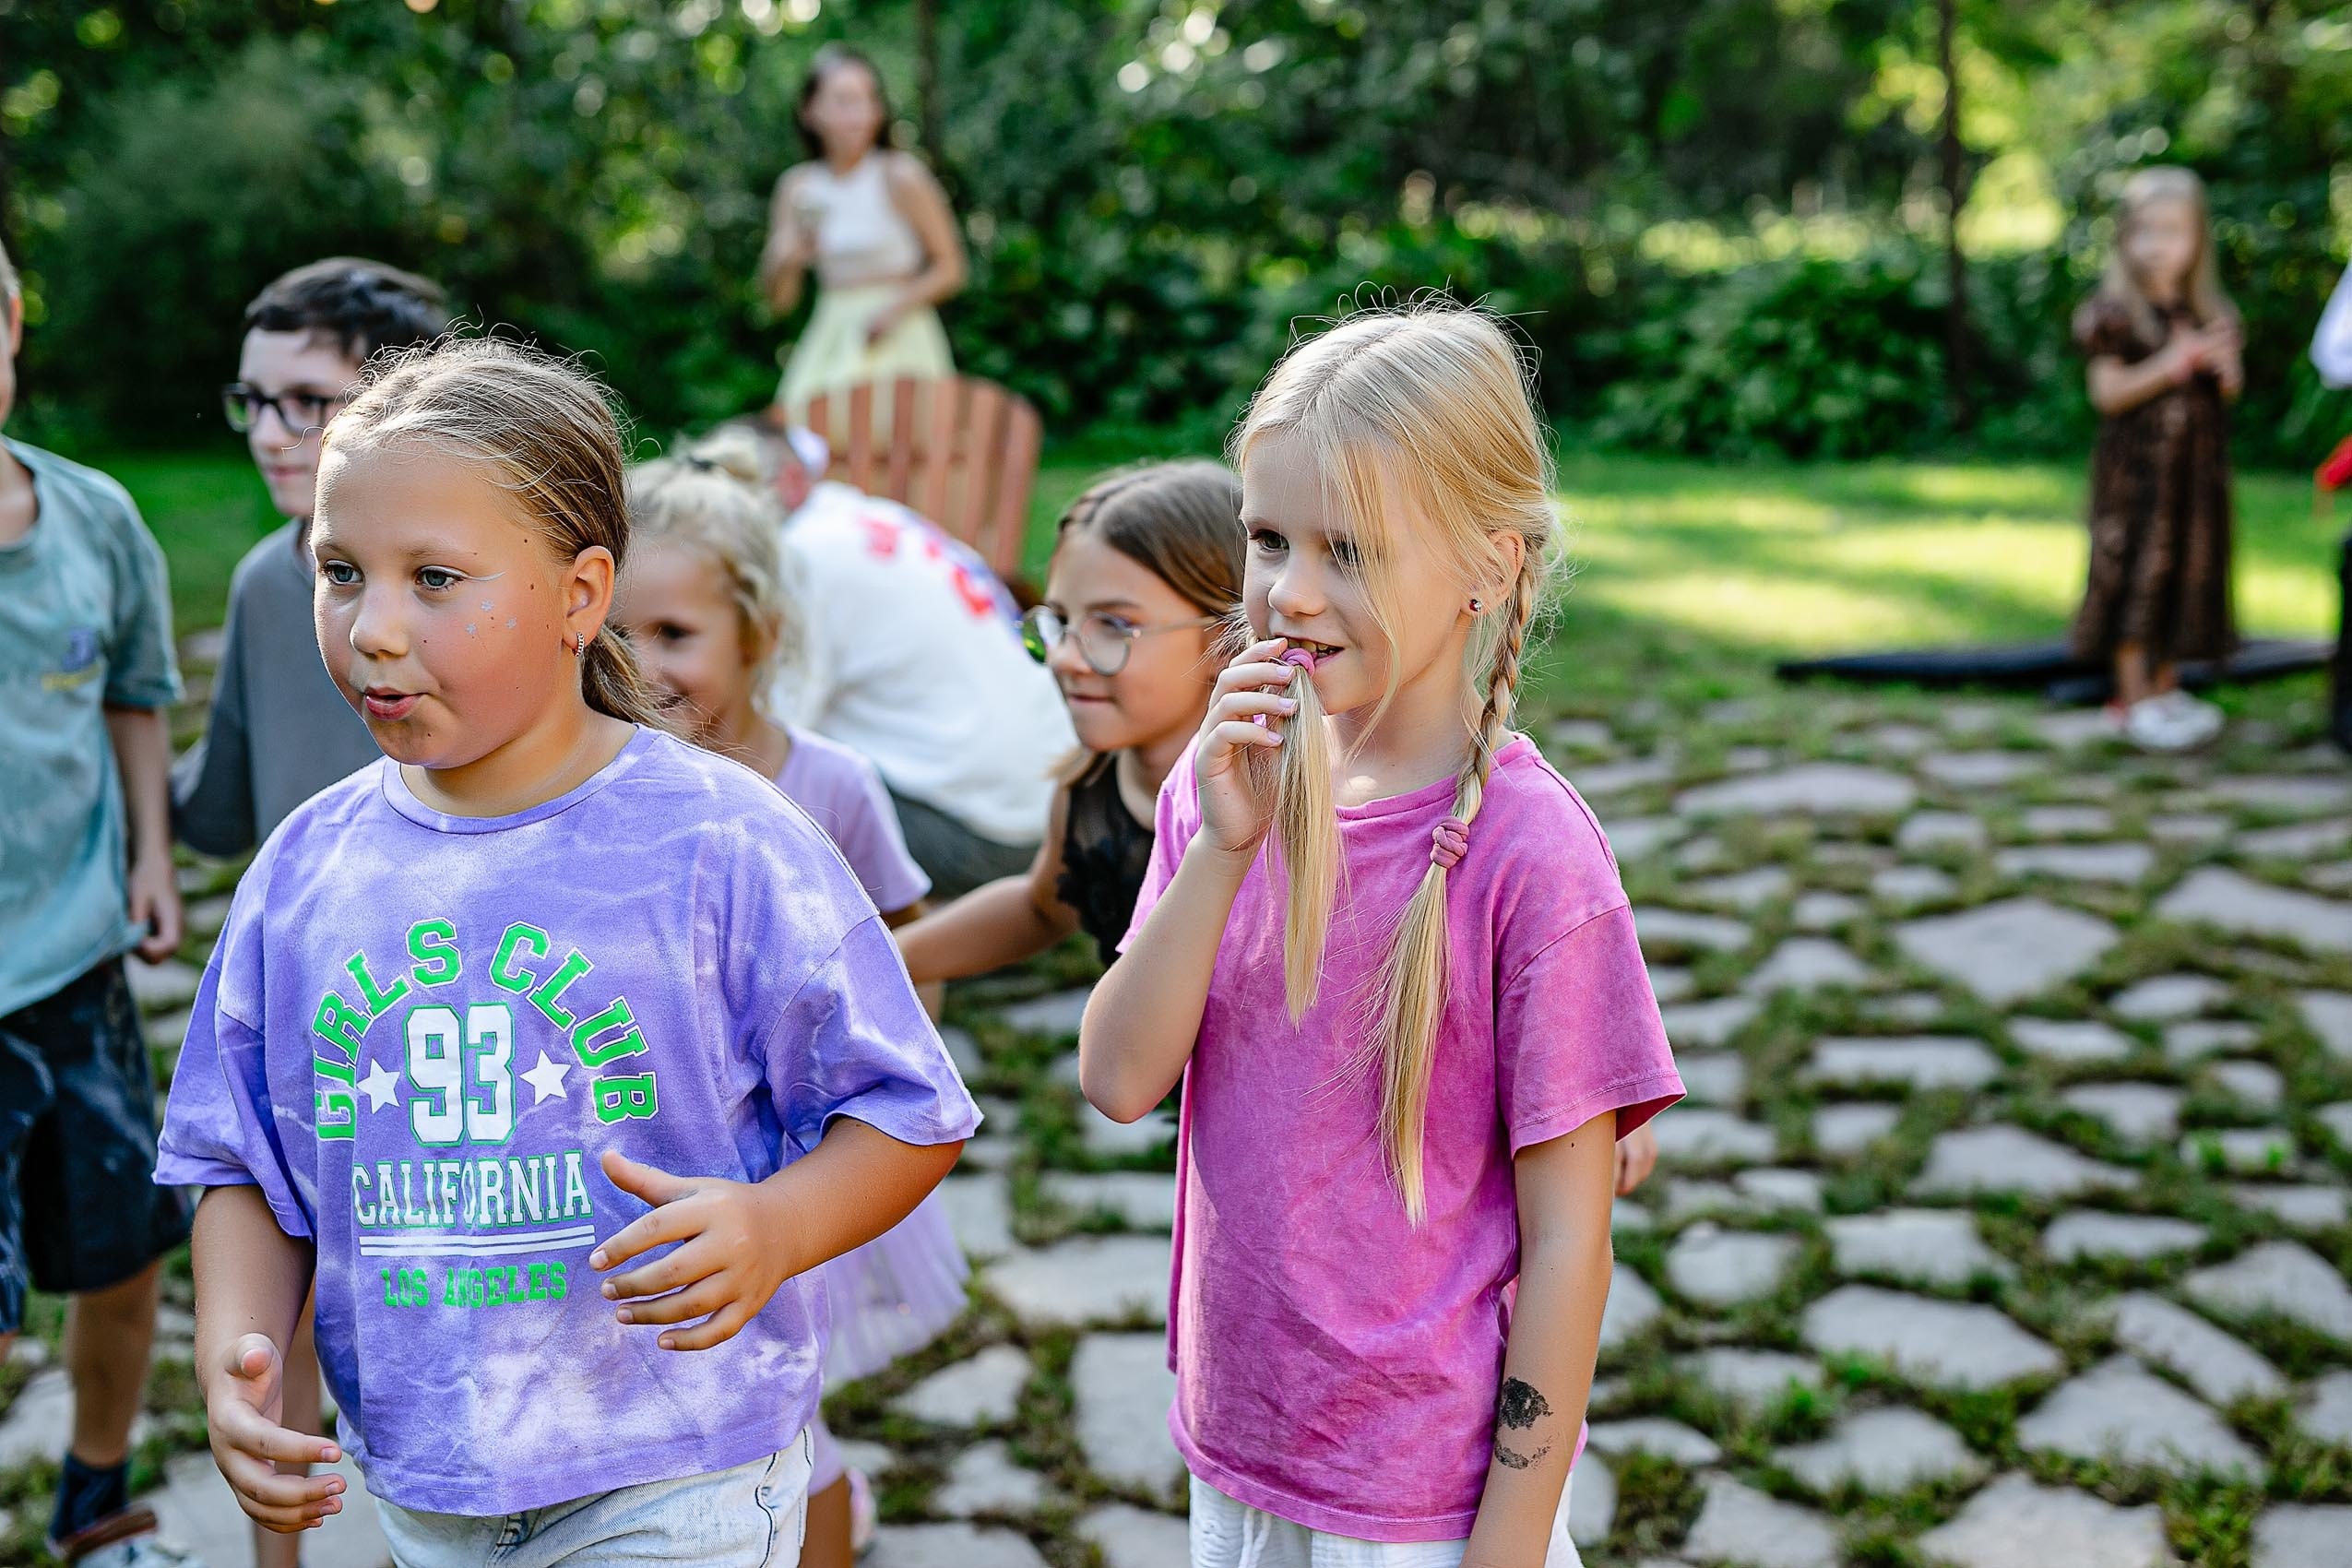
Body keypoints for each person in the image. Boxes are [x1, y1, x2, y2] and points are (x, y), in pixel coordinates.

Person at [154, 338, 978, 1565]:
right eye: (341, 572)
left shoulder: (724, 840)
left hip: (677, 1466)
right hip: (429, 1478)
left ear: (582, 595)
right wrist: (239, 1350)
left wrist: (777, 1225)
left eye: (435, 577)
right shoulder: (303, 872)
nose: (374, 627)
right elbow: (239, 1157)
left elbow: (909, 1107)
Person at [1079, 303, 1683, 1565]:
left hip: (1425, 1504)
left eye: (1348, 550)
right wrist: (1223, 849)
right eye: (1268, 539)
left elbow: (1570, 1241)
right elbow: (1120, 1079)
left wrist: (1510, 1542)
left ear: (1487, 568)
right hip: (1242, 1448)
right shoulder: (1223, 782)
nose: (1290, 594)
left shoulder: (1534, 856)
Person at [614, 446, 966, 1565]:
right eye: (616, 633)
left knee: (783, 1408)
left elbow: (907, 949)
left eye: (675, 633)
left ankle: (816, 1523)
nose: (640, 665)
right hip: (667, 1148)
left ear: (758, 635)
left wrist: (863, 1106)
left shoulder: (829, 786)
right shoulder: (606, 792)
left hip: (802, 1166)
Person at [0, 239, 201, 1568]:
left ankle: (94, 1501)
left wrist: (149, 853)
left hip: (75, 965)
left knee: (127, 1253)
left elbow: (135, 693)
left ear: (14, 319)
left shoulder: (93, 518)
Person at [701, 422, 1074, 898]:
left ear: (791, 482)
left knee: (782, 785)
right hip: (1045, 807)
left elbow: (772, 735)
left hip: (986, 835)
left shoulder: (800, 556)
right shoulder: (870, 516)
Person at [174, 256, 447, 856]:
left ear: (410, 401)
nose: (267, 435)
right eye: (254, 400)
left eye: (306, 400)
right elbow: (217, 810)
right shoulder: (265, 581)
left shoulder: (478, 582)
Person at [2073, 165, 2243, 753]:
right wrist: (2172, 364)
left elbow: (2228, 392)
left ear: (2197, 238)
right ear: (2124, 237)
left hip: (2194, 481)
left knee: (2184, 574)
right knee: (2136, 576)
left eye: (2171, 231)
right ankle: (2131, 696)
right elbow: (2107, 394)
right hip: (2135, 483)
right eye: (2142, 231)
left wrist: (2224, 367)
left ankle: (2165, 687)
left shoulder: (2209, 312)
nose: (2155, 245)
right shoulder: (2116, 314)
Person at [759, 45, 967, 427]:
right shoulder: (797, 187)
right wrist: (786, 257)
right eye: (844, 101)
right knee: (806, 440)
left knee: (901, 445)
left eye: (869, 100)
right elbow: (781, 304)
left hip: (901, 333)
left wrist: (894, 309)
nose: (860, 115)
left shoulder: (901, 175)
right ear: (810, 111)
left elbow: (952, 268)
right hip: (831, 332)